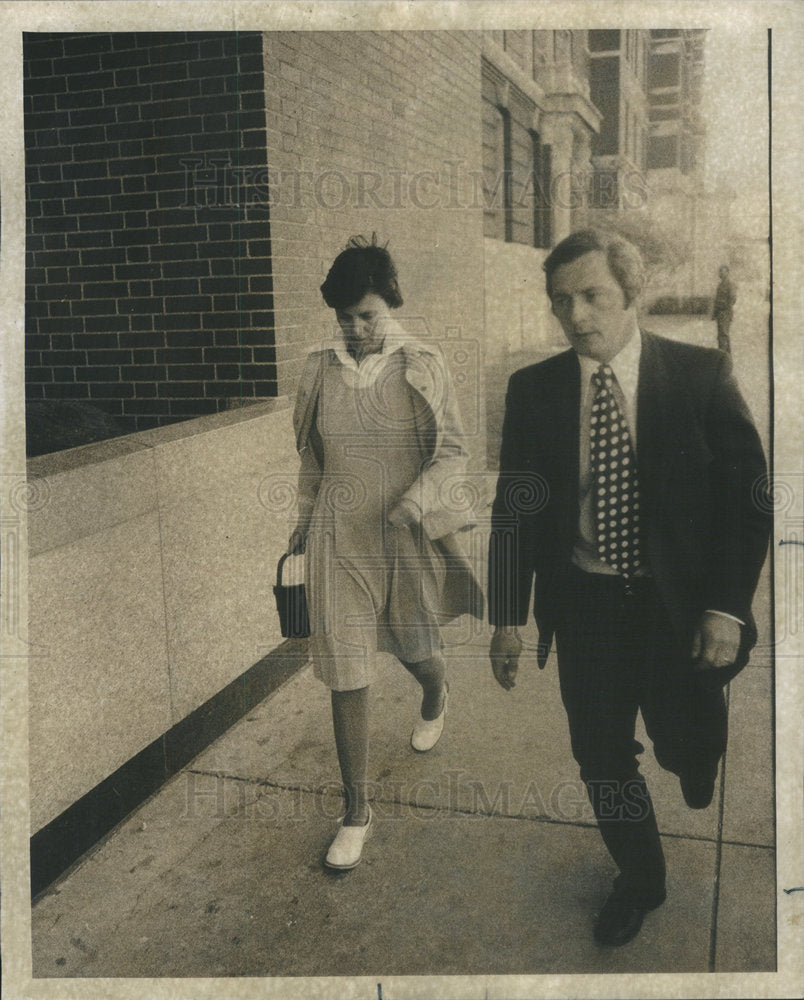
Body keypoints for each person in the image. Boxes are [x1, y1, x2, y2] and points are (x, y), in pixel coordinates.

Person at [488, 230, 769, 947]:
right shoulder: (534, 390)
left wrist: (726, 608)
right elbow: (515, 509)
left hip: (675, 606)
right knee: (600, 753)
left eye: (593, 296)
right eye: (561, 301)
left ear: (631, 294)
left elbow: (749, 498)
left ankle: (695, 753)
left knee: (683, 735)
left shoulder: (699, 375)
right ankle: (640, 878)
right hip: (585, 606)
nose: (577, 316)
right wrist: (506, 616)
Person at [289, 235, 483, 870]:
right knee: (347, 673)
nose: (356, 328)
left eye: (367, 315)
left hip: (402, 538)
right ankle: (356, 812)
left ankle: (437, 694)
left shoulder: (422, 362)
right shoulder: (318, 366)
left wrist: (419, 503)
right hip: (337, 541)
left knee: (416, 652)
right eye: (345, 317)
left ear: (390, 304)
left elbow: (452, 451)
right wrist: (303, 522)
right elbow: (313, 458)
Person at [712, 264, 737, 353]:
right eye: (719, 272)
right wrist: (714, 314)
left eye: (722, 271)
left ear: (727, 273)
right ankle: (726, 355)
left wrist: (725, 309)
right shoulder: (720, 285)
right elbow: (716, 300)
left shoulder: (730, 284)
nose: (720, 274)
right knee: (721, 335)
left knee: (723, 335)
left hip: (726, 313)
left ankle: (722, 355)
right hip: (720, 313)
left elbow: (733, 299)